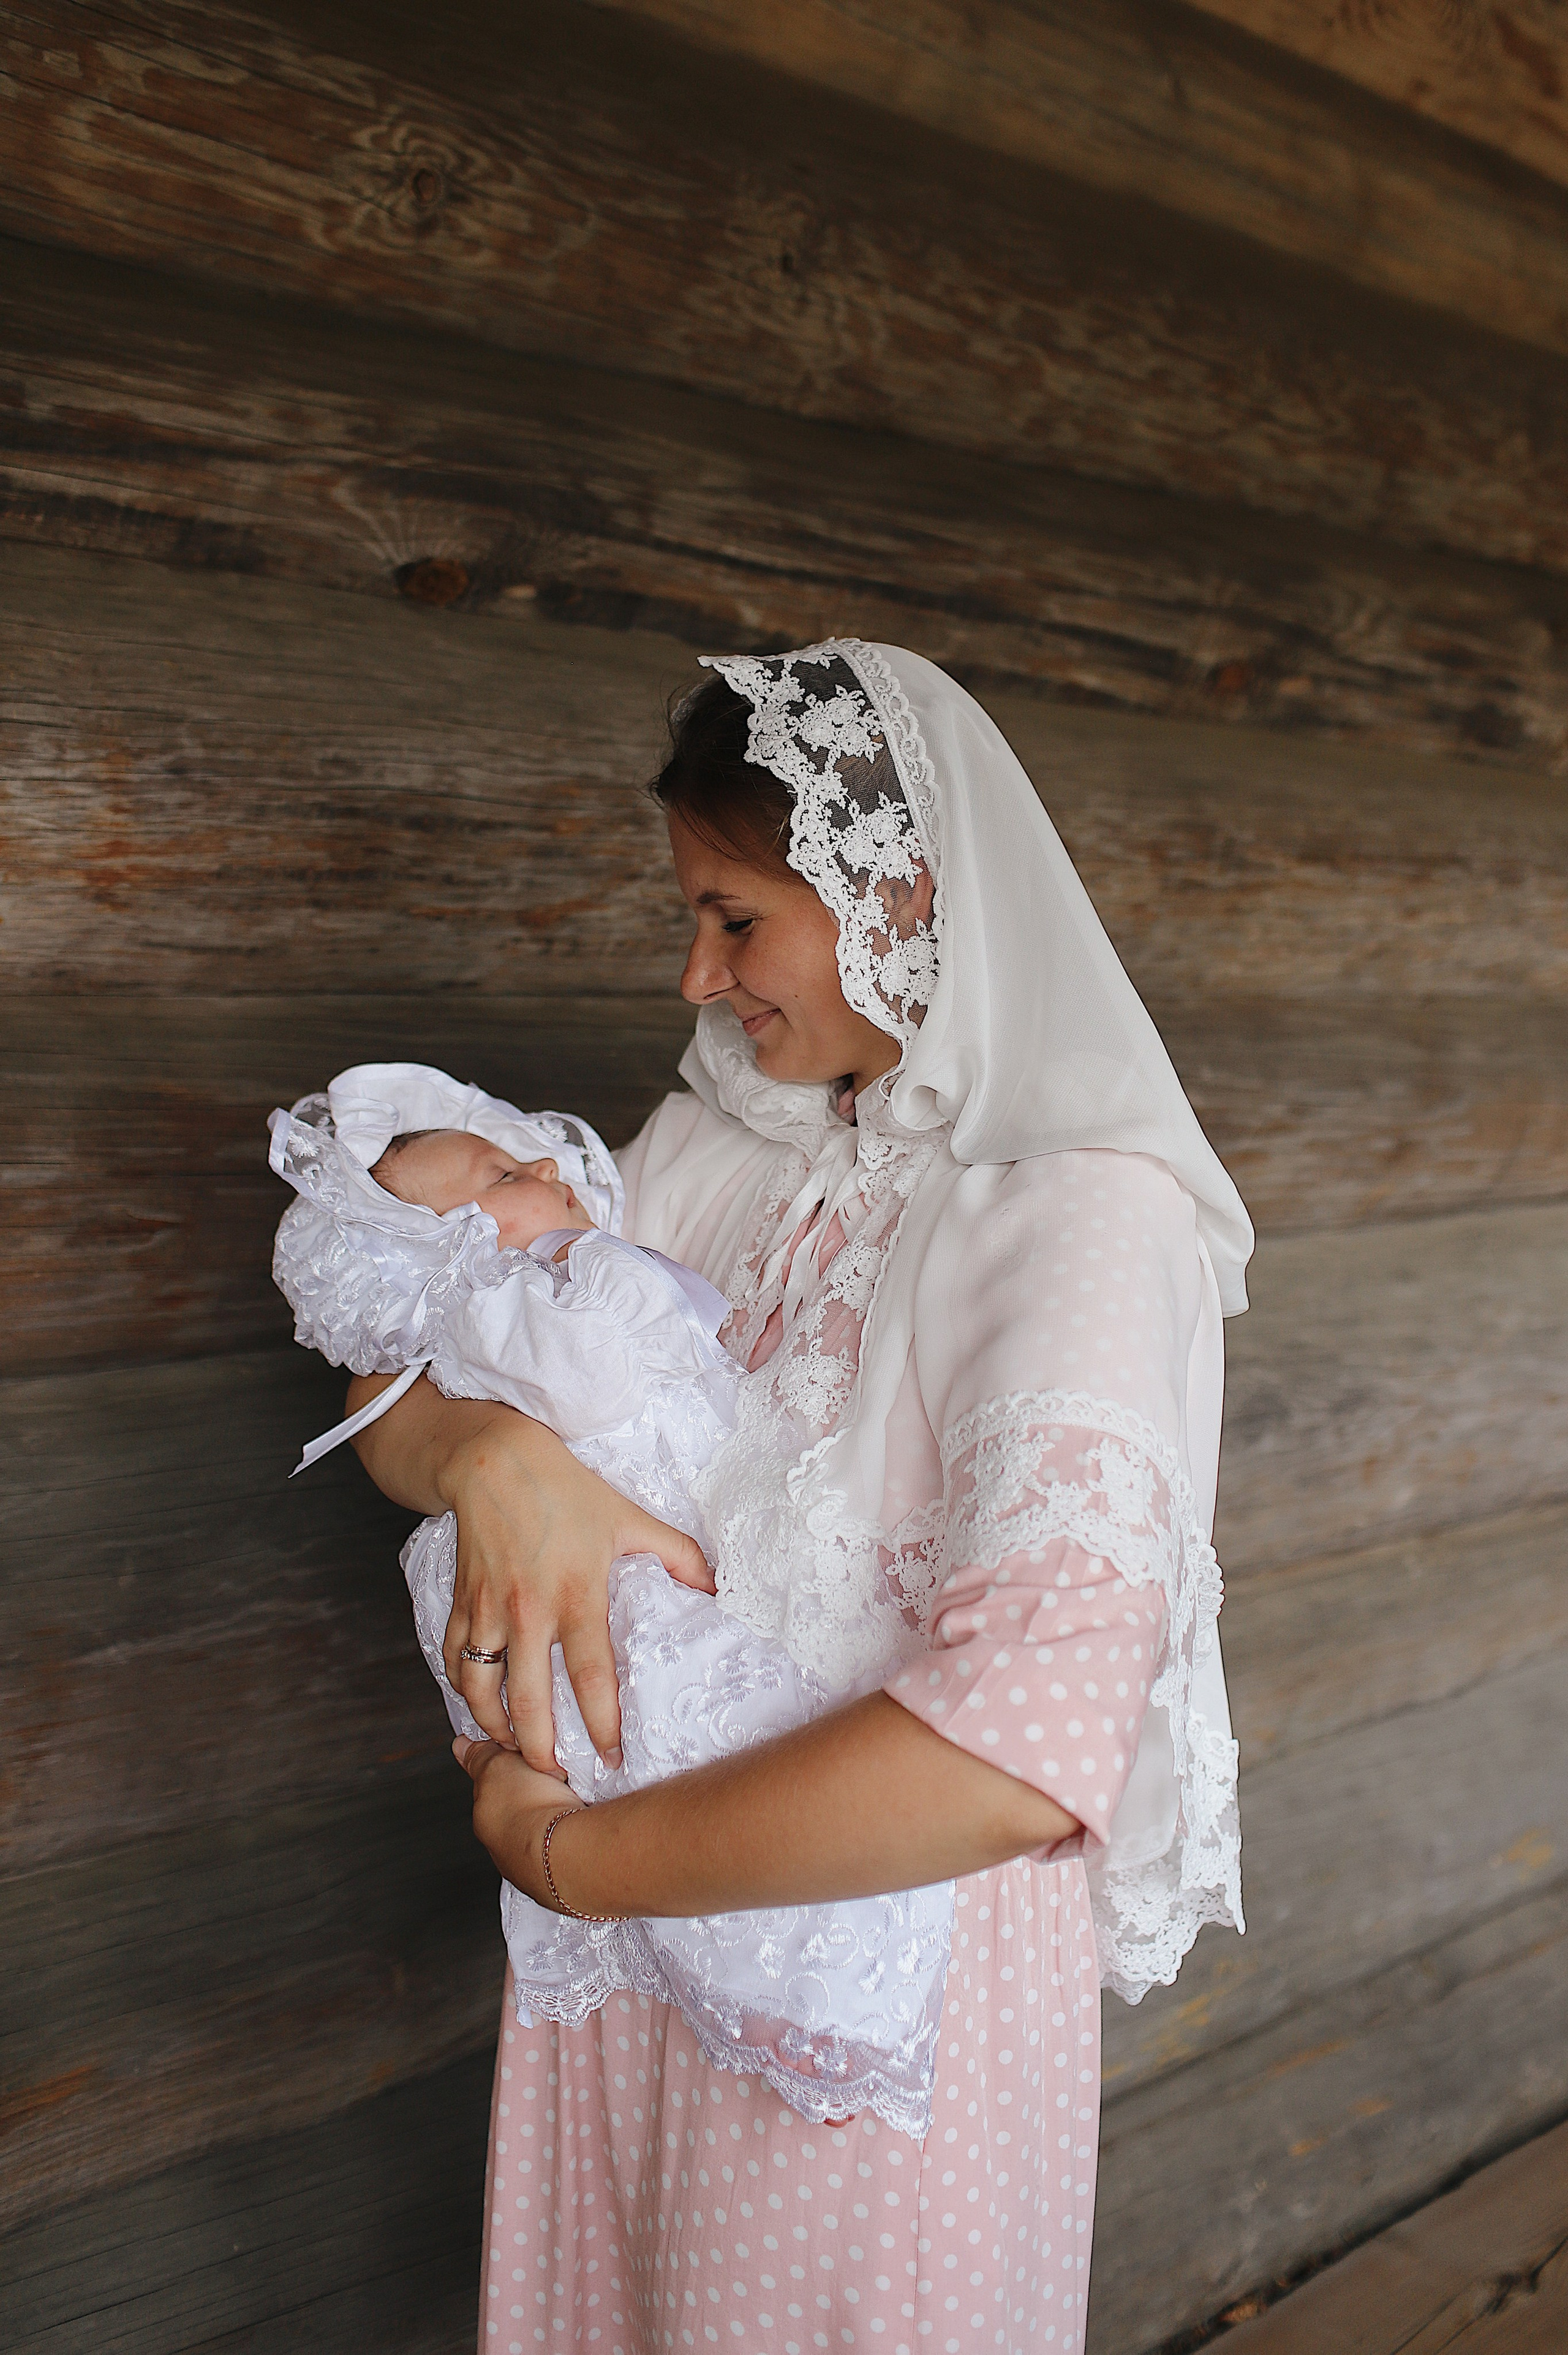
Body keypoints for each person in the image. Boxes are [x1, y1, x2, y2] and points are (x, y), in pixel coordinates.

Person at [347, 641, 1254, 2355]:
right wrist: (496, 1460)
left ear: (895, 888)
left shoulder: (1073, 1211)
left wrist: (583, 1854)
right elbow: (399, 1365)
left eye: (738, 918)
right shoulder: (718, 1138)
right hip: (624, 1975)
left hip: (868, 2001)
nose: (698, 971)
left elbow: (1019, 1740)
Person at [266, 1067, 954, 2128]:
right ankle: (773, 1959)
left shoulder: (562, 1249)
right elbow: (491, 1386)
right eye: (501, 1172)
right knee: (671, 1710)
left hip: (759, 1622)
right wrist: (510, 1411)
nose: (543, 1165)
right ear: (449, 1245)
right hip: (626, 1584)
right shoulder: (519, 1296)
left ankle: (808, 1965)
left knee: (761, 1728)